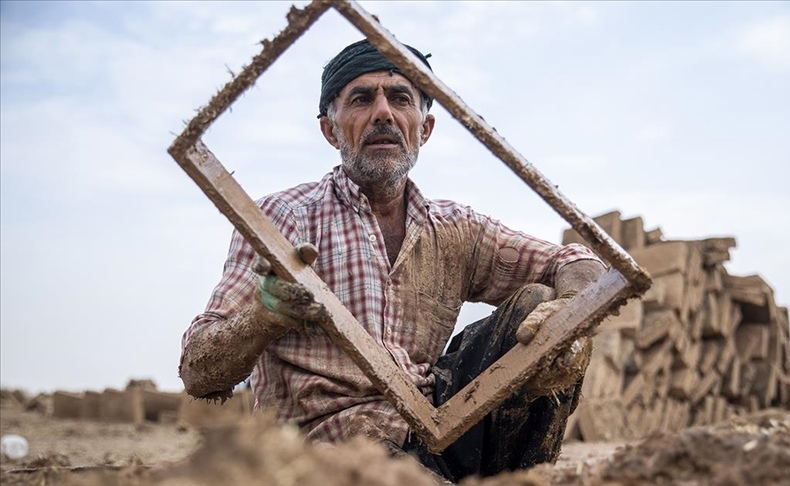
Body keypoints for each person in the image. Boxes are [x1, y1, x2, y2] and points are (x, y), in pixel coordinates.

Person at [179, 39, 606, 482]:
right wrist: (264, 316)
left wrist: (570, 312)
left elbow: (575, 261)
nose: (383, 112)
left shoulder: (455, 227)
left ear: (425, 128)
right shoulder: (281, 219)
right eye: (361, 99)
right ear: (330, 130)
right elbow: (198, 370)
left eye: (400, 98)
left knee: (540, 306)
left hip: (439, 428)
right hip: (327, 457)